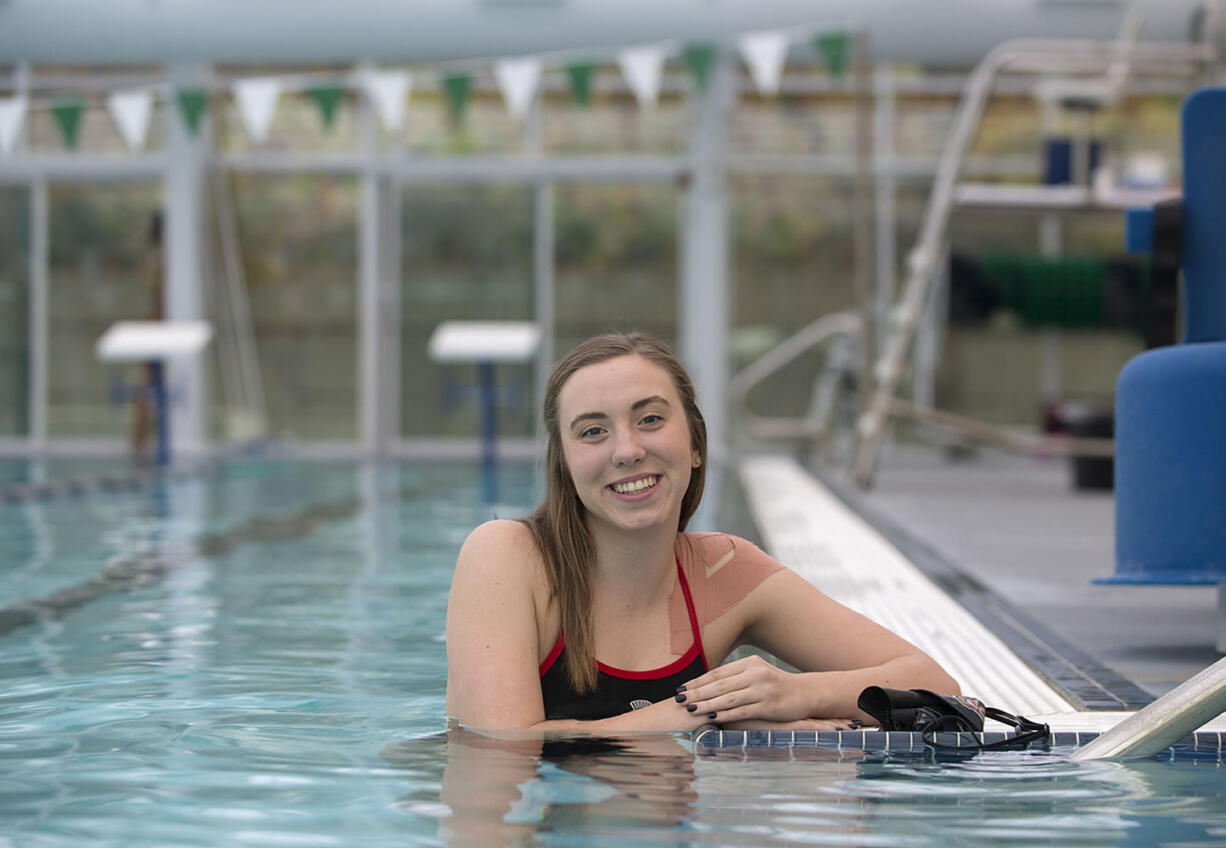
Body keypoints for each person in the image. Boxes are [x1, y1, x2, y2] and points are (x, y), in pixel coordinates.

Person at [445, 331, 959, 731]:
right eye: (593, 431)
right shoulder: (509, 558)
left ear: (694, 444)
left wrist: (792, 695)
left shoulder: (724, 572)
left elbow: (938, 687)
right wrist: (701, 712)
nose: (627, 449)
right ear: (566, 466)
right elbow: (497, 748)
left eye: (649, 419)